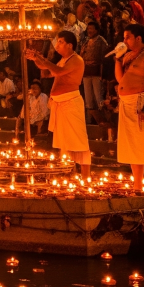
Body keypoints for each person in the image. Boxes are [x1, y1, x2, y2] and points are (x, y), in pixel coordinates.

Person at [26, 31, 92, 177]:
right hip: (59, 104)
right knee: (64, 142)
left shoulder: (76, 59)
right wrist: (36, 58)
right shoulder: (62, 60)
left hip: (71, 103)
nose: (58, 44)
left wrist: (43, 60)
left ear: (70, 45)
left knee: (78, 140)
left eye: (61, 41)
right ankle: (69, 172)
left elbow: (59, 71)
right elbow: (46, 72)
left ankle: (86, 176)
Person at [113, 22, 144, 190]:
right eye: (124, 37)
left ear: (138, 38)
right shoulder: (129, 56)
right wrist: (118, 60)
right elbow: (121, 79)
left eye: (127, 37)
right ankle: (137, 186)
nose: (124, 41)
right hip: (127, 102)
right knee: (133, 145)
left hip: (141, 101)